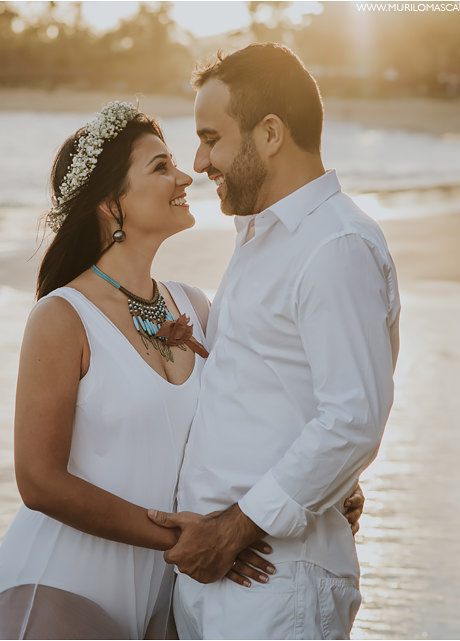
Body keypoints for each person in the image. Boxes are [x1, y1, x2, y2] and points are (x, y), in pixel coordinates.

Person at [0, 101, 365, 639]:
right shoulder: (62, 317)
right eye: (161, 167)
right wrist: (199, 540)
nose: (186, 174)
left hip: (169, 596)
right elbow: (39, 481)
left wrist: (326, 488)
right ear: (110, 204)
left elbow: (260, 414)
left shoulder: (195, 306)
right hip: (61, 586)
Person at [147, 44, 401, 639]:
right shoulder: (263, 238)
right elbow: (279, 394)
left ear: (269, 134)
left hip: (277, 582)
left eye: (211, 138)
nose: (199, 160)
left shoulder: (335, 247)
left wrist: (235, 529)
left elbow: (353, 418)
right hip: (226, 577)